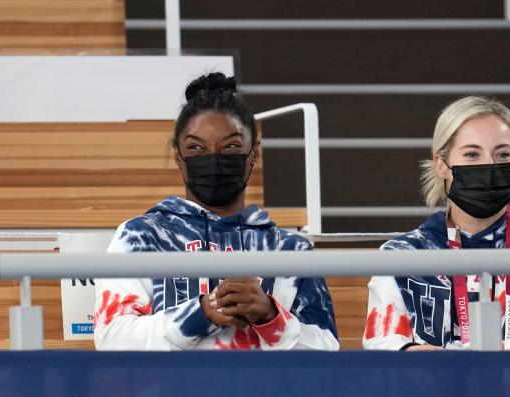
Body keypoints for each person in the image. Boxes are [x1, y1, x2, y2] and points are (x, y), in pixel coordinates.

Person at [93, 73, 339, 350]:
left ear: (254, 152)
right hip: (171, 392)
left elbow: (326, 350)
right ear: (178, 156)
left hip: (264, 392)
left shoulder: (291, 249)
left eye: (231, 146)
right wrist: (201, 313)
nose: (213, 159)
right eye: (196, 148)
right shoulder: (141, 236)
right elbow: (112, 340)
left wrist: (270, 317)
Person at [362, 96, 510, 351]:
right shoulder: (400, 255)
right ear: (441, 165)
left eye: (502, 154)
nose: (489, 165)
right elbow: (383, 349)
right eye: (471, 154)